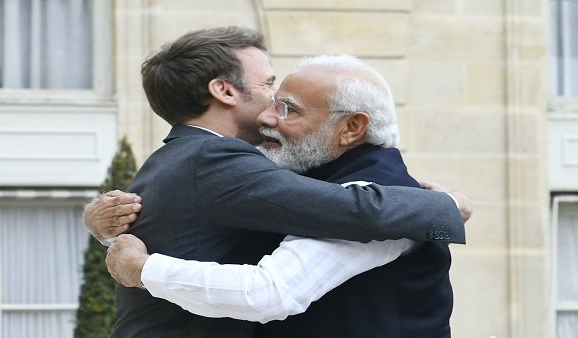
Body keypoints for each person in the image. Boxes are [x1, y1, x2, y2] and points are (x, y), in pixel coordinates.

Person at [83, 26, 469, 338]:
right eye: (271, 88)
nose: (272, 114)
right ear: (224, 90)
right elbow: (351, 210)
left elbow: (275, 283)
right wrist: (446, 205)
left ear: (352, 128)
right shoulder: (215, 160)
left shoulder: (174, 159)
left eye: (289, 108)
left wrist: (136, 261)